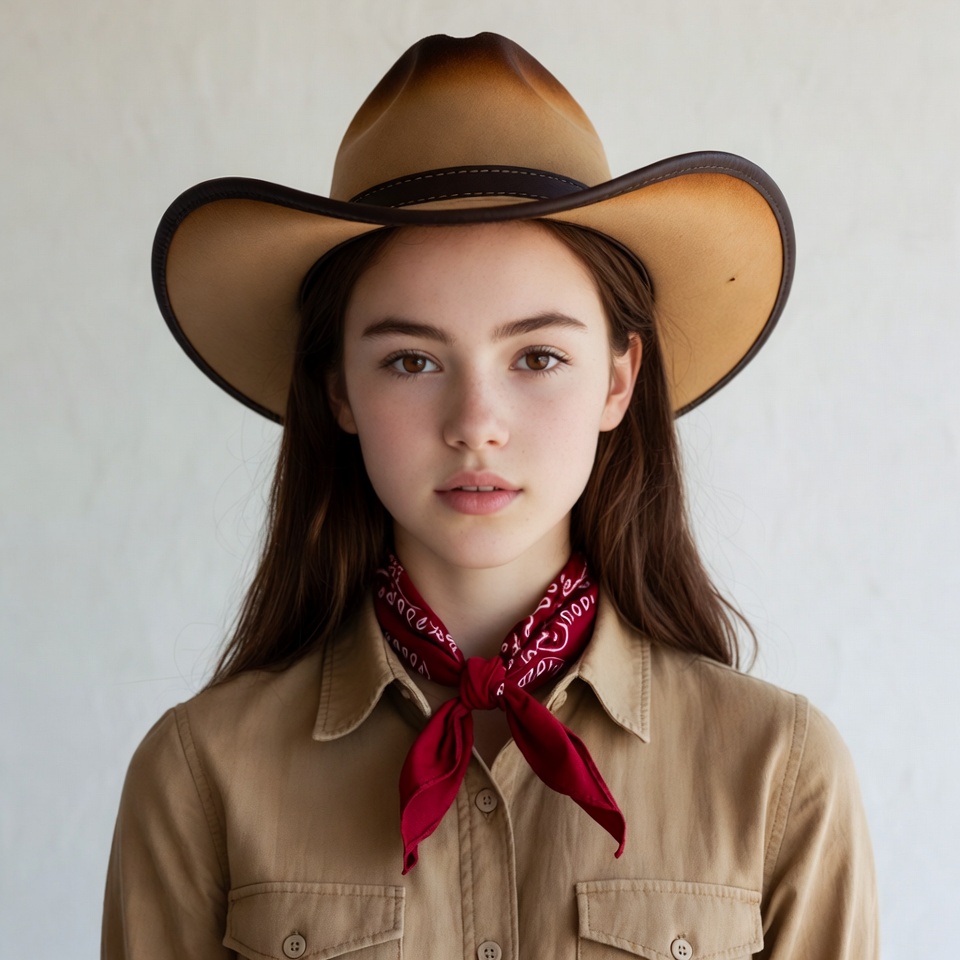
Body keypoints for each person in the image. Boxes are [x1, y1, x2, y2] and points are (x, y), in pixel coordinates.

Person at [103, 32, 879, 959]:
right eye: (411, 360)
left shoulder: (780, 775)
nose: (477, 422)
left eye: (539, 356)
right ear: (339, 390)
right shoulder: (198, 777)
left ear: (618, 381)